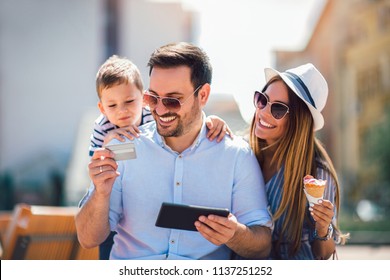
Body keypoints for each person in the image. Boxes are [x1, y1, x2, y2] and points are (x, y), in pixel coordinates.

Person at [76, 42, 272, 260]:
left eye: (172, 100)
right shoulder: (125, 147)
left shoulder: (236, 156)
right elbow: (87, 239)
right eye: (152, 98)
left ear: (203, 95)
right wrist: (100, 194)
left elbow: (262, 245)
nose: (160, 109)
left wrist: (235, 234)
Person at [249, 63, 348, 260]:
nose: (264, 112)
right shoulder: (243, 153)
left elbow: (324, 254)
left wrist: (322, 226)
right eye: (262, 100)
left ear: (298, 121)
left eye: (278, 109)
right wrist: (212, 124)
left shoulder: (317, 174)